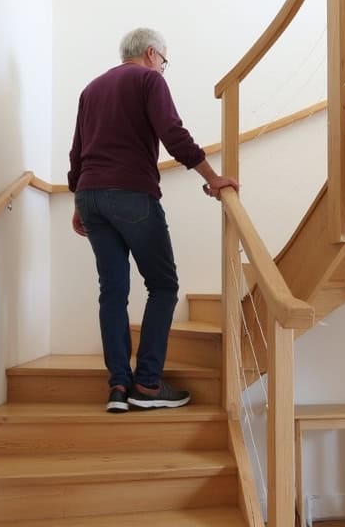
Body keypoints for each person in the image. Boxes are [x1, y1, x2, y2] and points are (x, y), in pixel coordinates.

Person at [68, 28, 238, 413]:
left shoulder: (91, 89)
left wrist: (80, 200)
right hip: (131, 193)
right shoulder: (148, 80)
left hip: (91, 196)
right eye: (165, 61)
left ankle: (117, 387)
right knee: (163, 285)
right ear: (151, 53)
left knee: (112, 291)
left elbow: (77, 151)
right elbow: (173, 134)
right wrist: (213, 179)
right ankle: (146, 384)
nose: (163, 69)